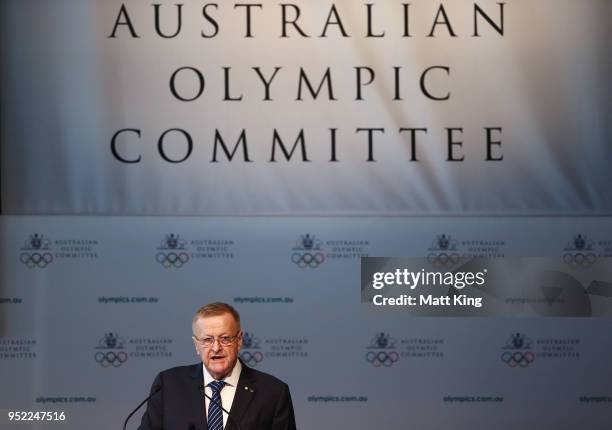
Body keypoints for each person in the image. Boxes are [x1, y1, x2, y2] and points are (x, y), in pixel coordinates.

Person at [138, 302, 296, 430]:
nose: (216, 348)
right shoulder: (168, 385)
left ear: (239, 340)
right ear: (196, 345)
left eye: (225, 338)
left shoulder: (273, 392)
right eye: (207, 340)